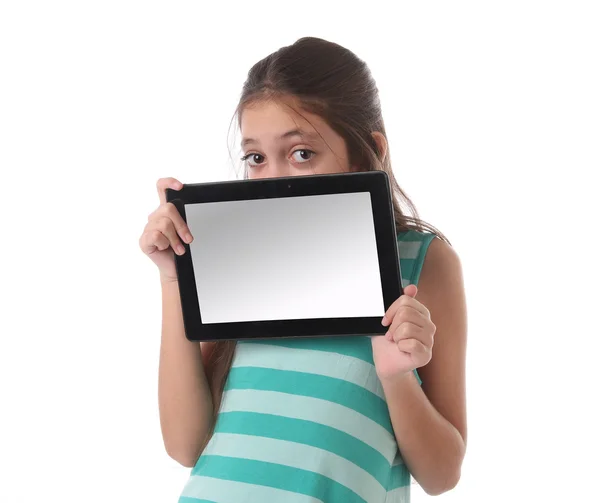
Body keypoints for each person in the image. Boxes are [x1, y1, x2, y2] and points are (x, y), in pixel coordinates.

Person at [139, 37, 468, 503]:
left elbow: (441, 475)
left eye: (301, 154)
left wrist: (396, 376)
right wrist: (173, 279)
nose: (274, 180)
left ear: (365, 151)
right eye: (256, 158)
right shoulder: (238, 262)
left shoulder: (421, 261)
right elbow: (185, 445)